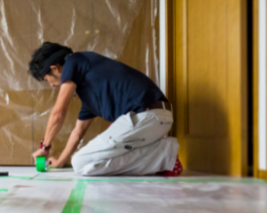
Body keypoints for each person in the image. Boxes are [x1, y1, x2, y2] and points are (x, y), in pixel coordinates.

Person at [29, 42, 182, 176]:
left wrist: (45, 147)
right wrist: (61, 161)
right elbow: (78, 132)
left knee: (80, 163)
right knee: (93, 161)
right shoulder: (89, 93)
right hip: (158, 119)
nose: (52, 85)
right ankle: (162, 151)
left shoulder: (74, 62)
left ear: (55, 68)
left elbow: (58, 114)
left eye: (47, 80)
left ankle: (163, 156)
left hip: (146, 116)